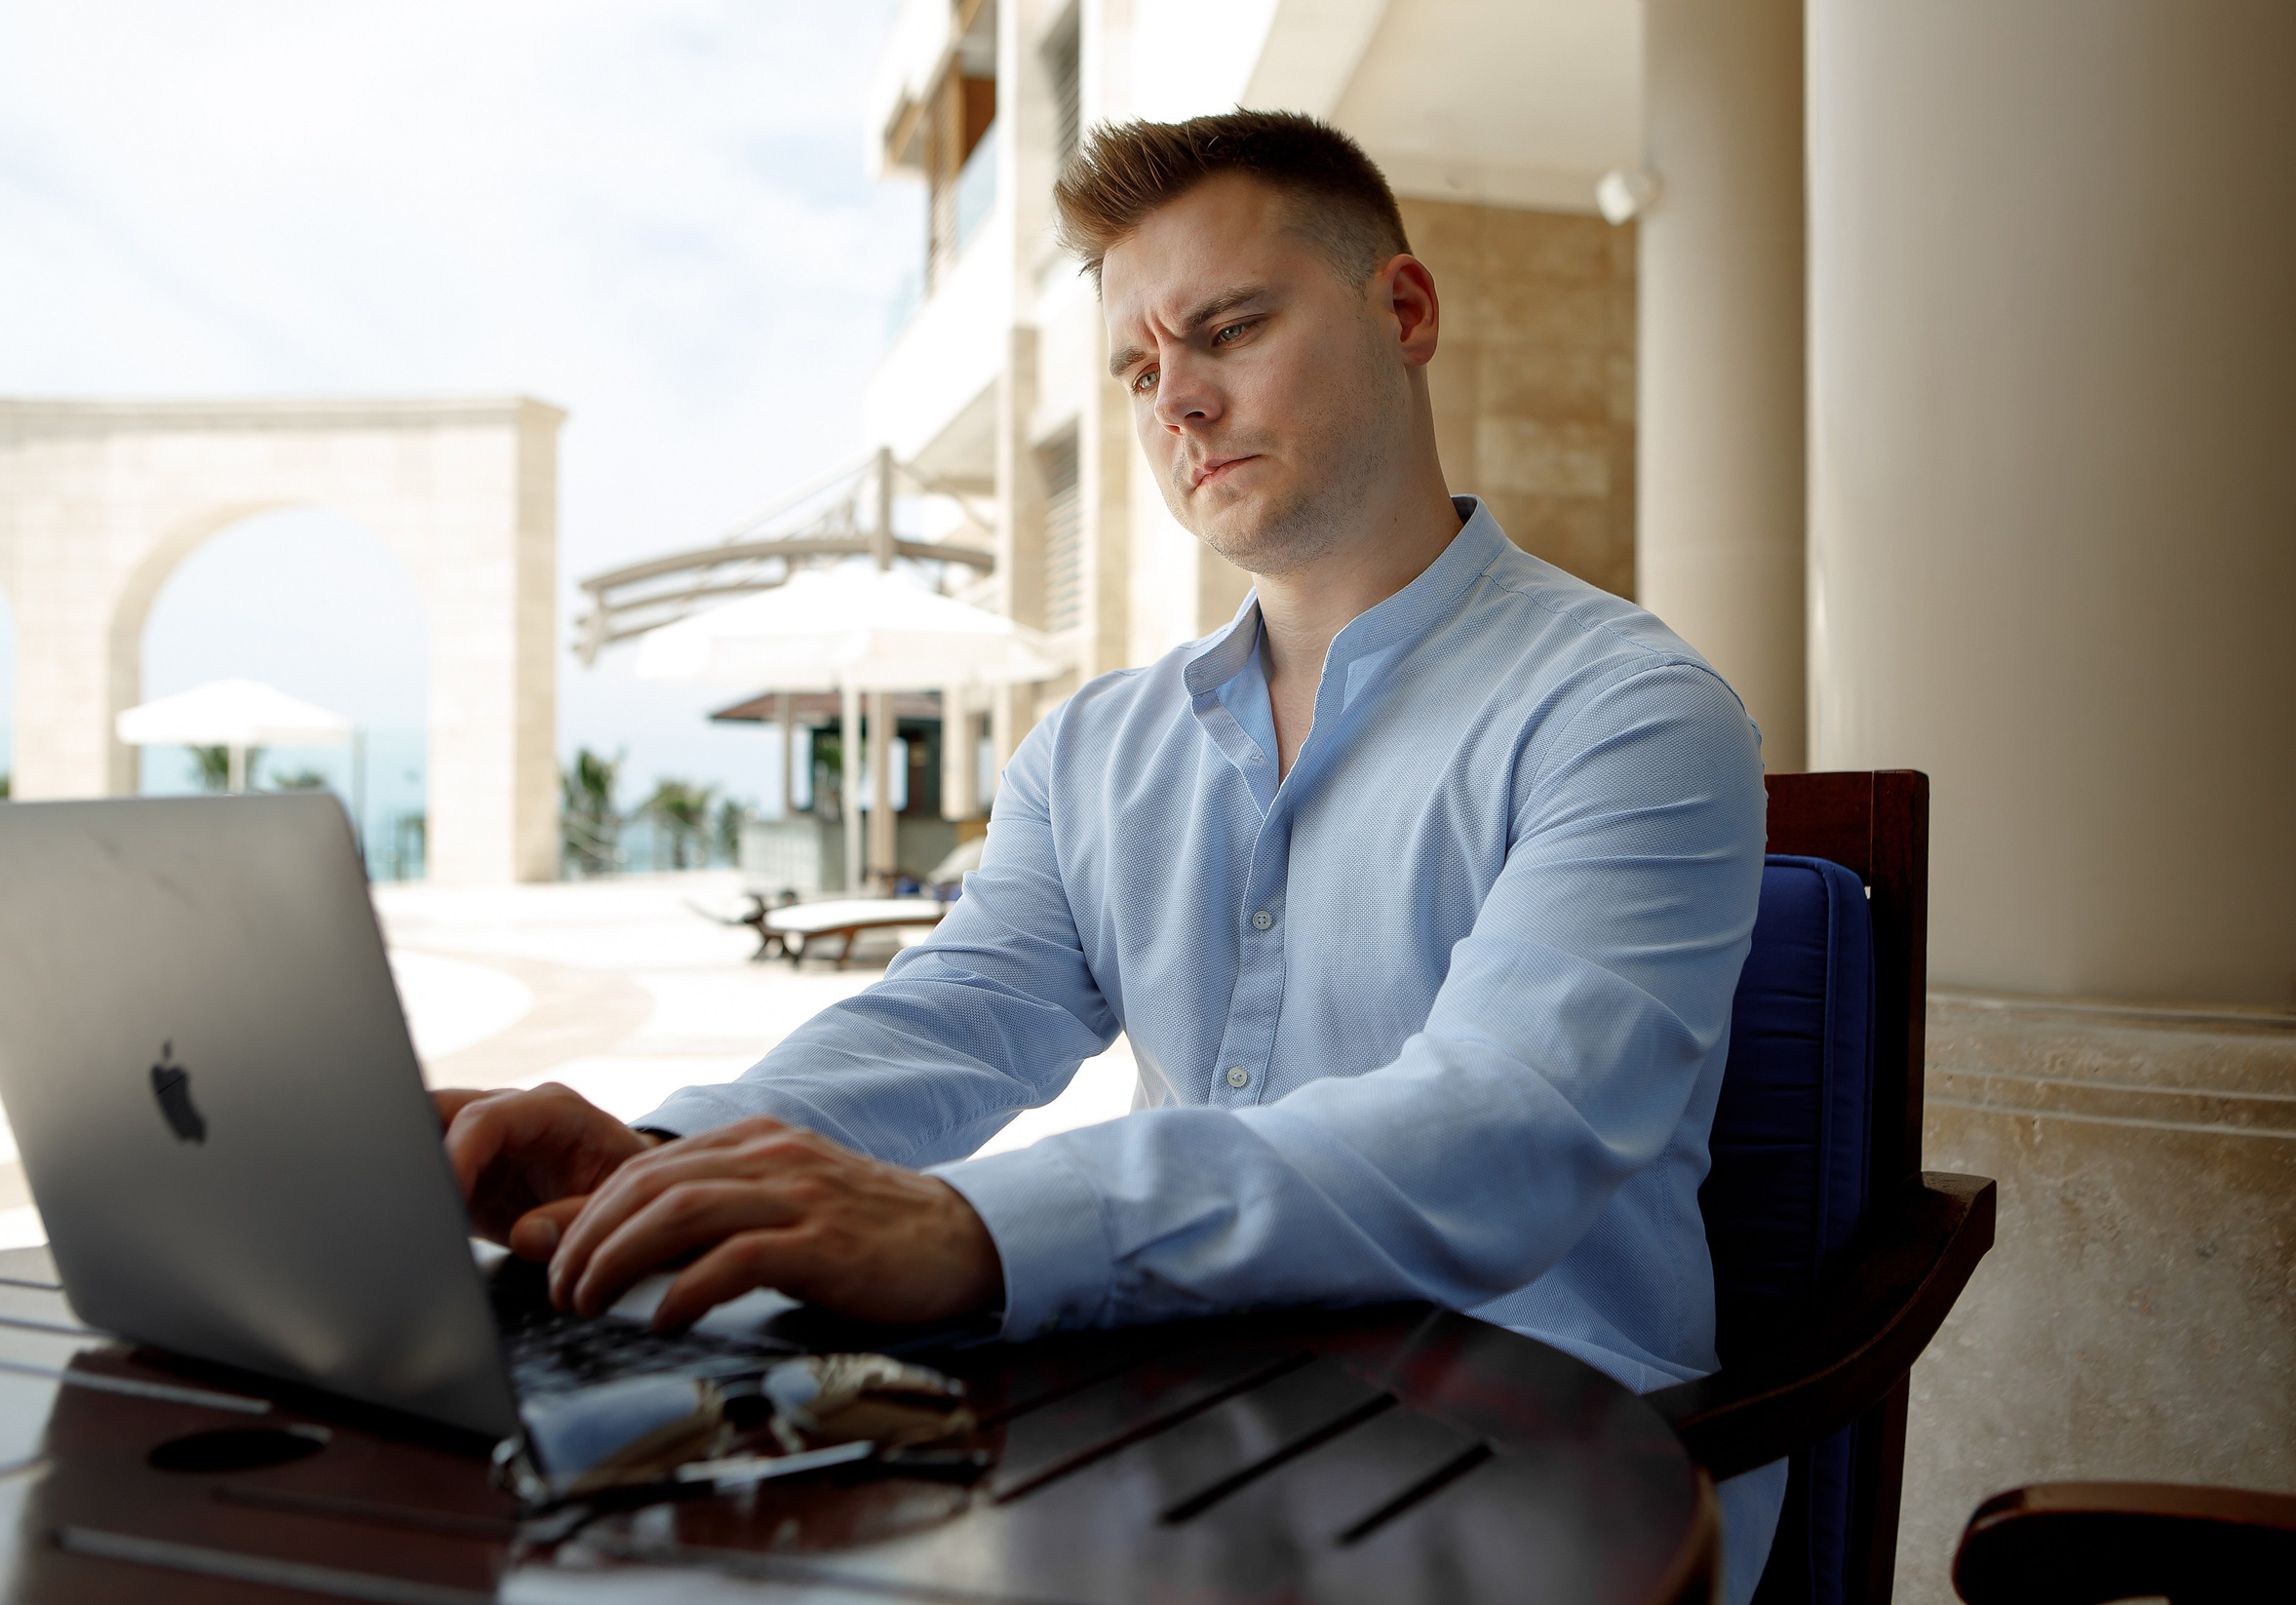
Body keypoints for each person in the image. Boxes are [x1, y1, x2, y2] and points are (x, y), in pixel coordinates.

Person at [437, 110, 1784, 1596]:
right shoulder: (1094, 751)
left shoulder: (1629, 712)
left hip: (1548, 1461)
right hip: (1176, 1424)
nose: (1178, 405)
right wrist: (670, 1161)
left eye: (1229, 330)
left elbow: (1502, 1127)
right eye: (1142, 370)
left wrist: (975, 1230)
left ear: (1404, 312)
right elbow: (954, 1015)